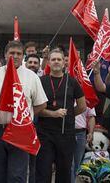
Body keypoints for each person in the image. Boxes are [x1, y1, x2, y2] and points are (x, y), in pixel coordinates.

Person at [0, 40, 48, 183]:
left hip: (20, 132)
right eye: (12, 53)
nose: (15, 56)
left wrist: (26, 115)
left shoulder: (32, 77)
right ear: (5, 55)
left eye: (18, 54)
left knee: (17, 176)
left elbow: (42, 104)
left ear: (23, 56)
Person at [35, 49, 86, 183]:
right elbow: (35, 109)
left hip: (66, 134)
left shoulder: (72, 82)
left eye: (59, 59)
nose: (56, 62)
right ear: (49, 63)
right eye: (53, 59)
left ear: (64, 62)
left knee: (64, 173)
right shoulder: (40, 81)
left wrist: (68, 116)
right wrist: (53, 114)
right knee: (43, 171)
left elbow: (82, 106)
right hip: (44, 134)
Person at [71, 106, 96, 183]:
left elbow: (91, 116)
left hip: (81, 133)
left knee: (77, 164)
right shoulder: (65, 95)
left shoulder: (87, 97)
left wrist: (91, 132)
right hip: (67, 132)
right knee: (70, 165)